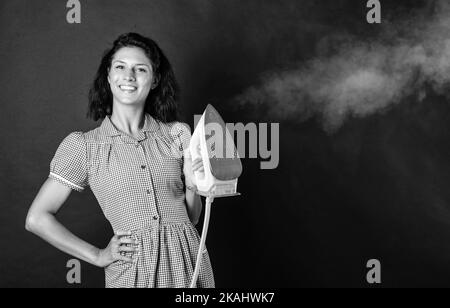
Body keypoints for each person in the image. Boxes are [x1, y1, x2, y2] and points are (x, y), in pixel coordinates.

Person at [25, 32, 215, 288]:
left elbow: (190, 218)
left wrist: (193, 185)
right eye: (120, 67)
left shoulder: (177, 134)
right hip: (133, 273)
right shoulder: (84, 146)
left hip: (189, 264)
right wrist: (98, 255)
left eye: (140, 69)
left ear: (155, 79)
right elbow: (37, 218)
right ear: (108, 75)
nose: (129, 76)